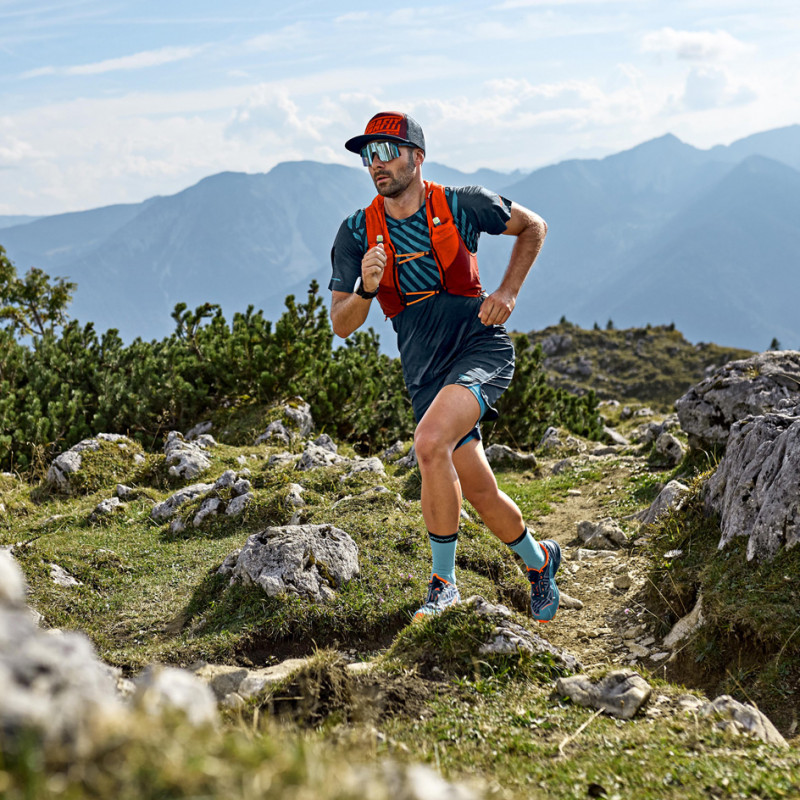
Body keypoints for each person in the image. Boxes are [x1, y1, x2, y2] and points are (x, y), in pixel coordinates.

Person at [329, 111, 560, 623]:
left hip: (479, 347)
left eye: (388, 151)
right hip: (423, 367)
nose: (376, 164)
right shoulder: (355, 233)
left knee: (429, 443)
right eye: (369, 155)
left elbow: (534, 227)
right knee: (478, 489)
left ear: (417, 156)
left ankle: (443, 586)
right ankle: (540, 563)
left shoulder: (461, 203)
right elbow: (342, 324)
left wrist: (507, 292)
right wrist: (367, 287)